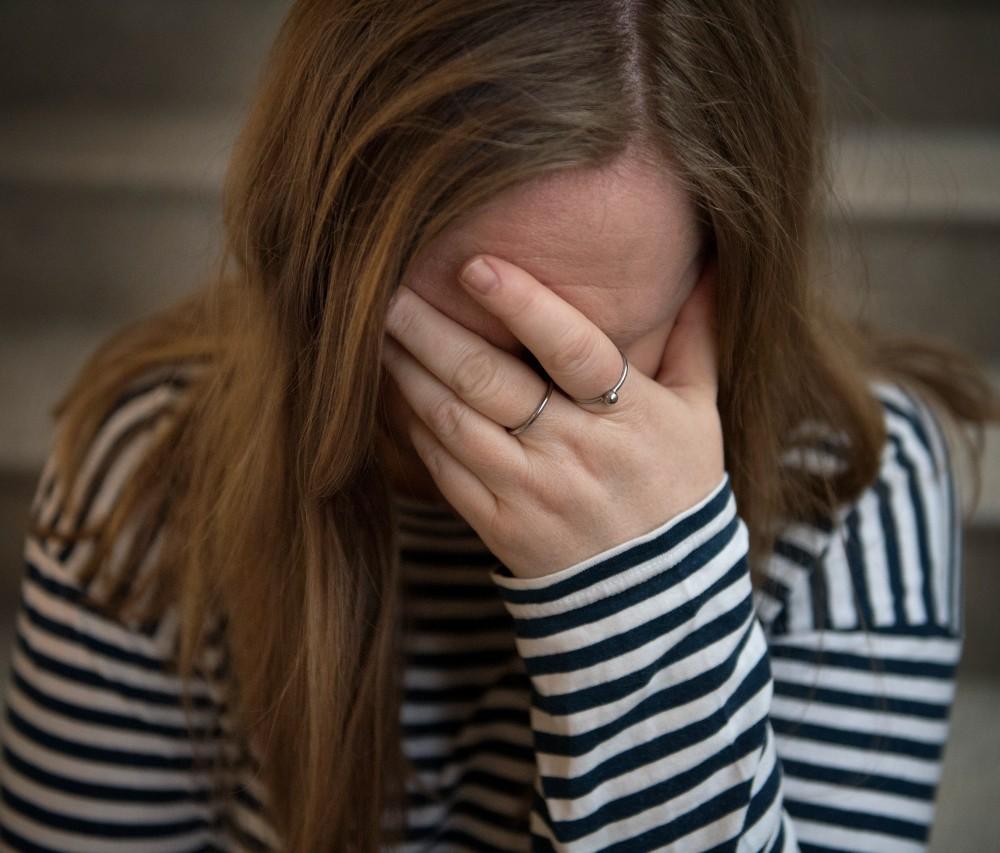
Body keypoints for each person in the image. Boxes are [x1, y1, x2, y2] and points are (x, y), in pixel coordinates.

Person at [0, 1, 997, 851]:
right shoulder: (156, 469)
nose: (512, 414)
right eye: (448, 343)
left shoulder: (853, 492)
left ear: (719, 280)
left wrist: (649, 600)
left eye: (588, 357)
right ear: (317, 254)